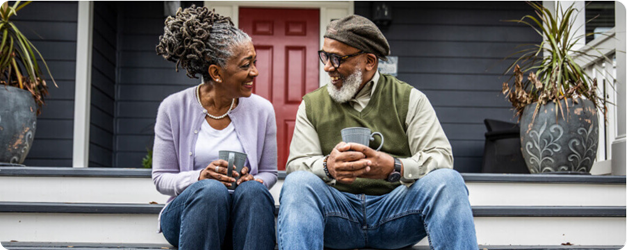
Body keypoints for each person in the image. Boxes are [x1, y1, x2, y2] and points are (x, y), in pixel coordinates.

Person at [278, 15, 477, 249]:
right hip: (337, 216)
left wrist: (396, 167)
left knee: (448, 181)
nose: (327, 67)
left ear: (369, 61)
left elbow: (441, 157)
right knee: (297, 184)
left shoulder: (409, 99)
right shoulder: (311, 105)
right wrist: (327, 167)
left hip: (397, 215)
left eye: (336, 58)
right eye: (325, 56)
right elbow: (296, 164)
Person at [152, 6, 277, 250]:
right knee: (210, 190)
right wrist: (199, 177)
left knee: (254, 192)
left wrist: (255, 179)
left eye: (254, 62)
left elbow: (270, 172)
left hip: (241, 215)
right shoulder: (173, 107)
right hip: (187, 214)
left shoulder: (263, 110)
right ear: (216, 73)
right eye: (245, 65)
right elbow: (160, 178)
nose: (255, 72)